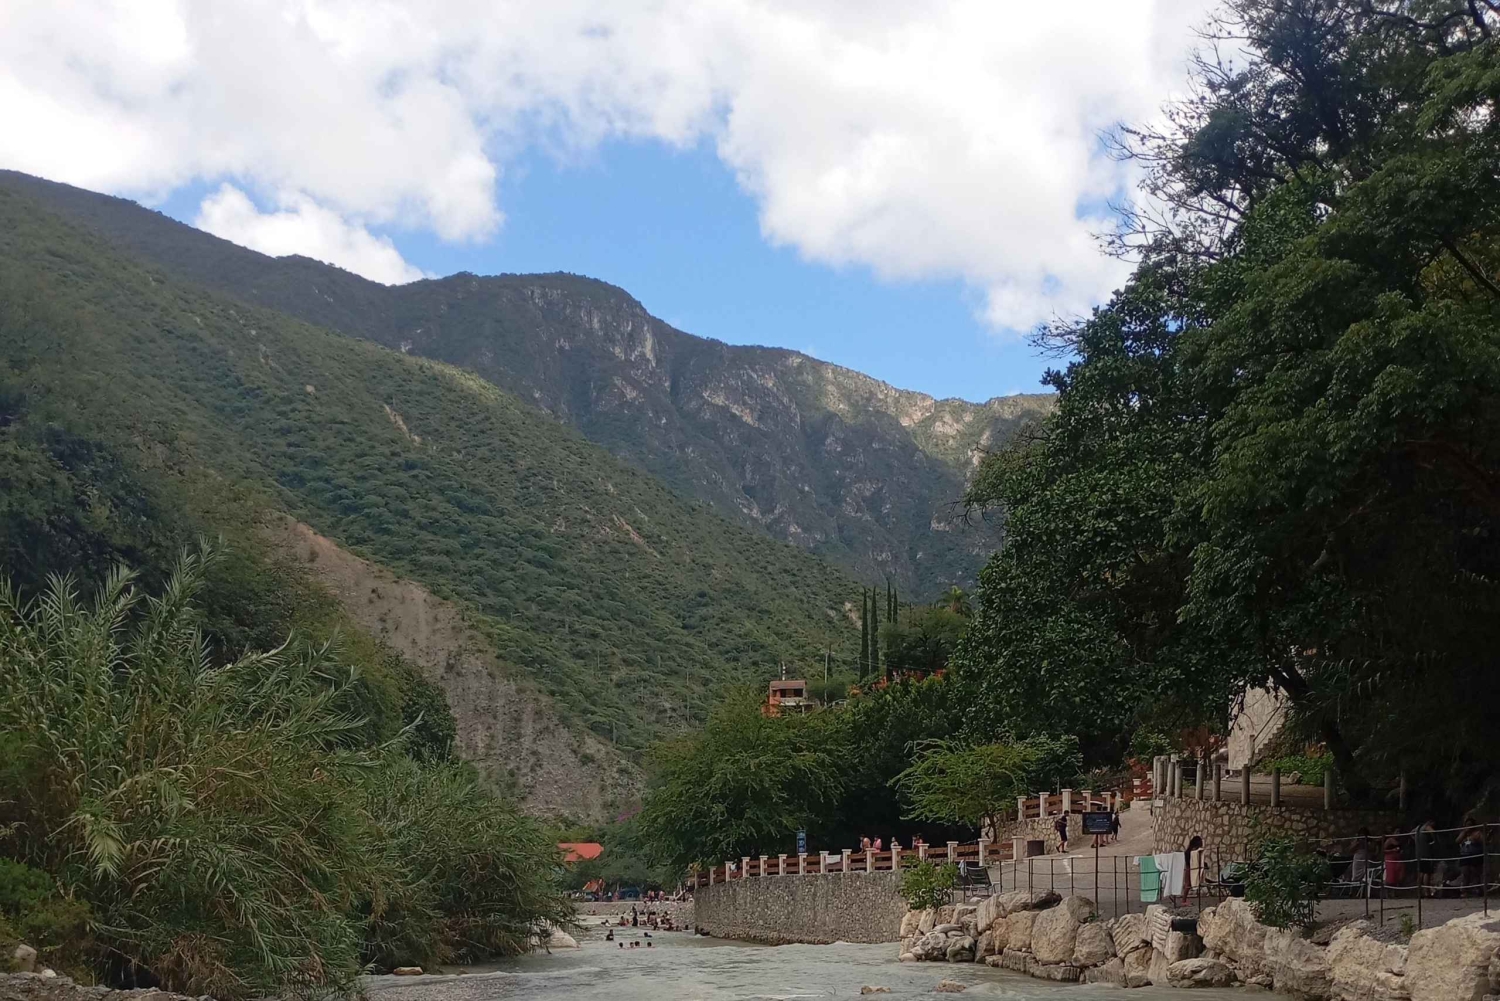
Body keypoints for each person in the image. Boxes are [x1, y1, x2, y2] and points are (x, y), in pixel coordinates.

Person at [1458, 817, 1485, 897]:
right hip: (1465, 856)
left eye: (1470, 825)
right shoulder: (1463, 833)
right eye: (1467, 825)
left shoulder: (1477, 833)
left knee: (1475, 873)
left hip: (1475, 856)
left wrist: (1477, 839)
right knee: (1465, 873)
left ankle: (1477, 889)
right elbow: (1457, 841)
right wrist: (1464, 832)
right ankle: (1464, 891)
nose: (1468, 826)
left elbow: (1485, 841)